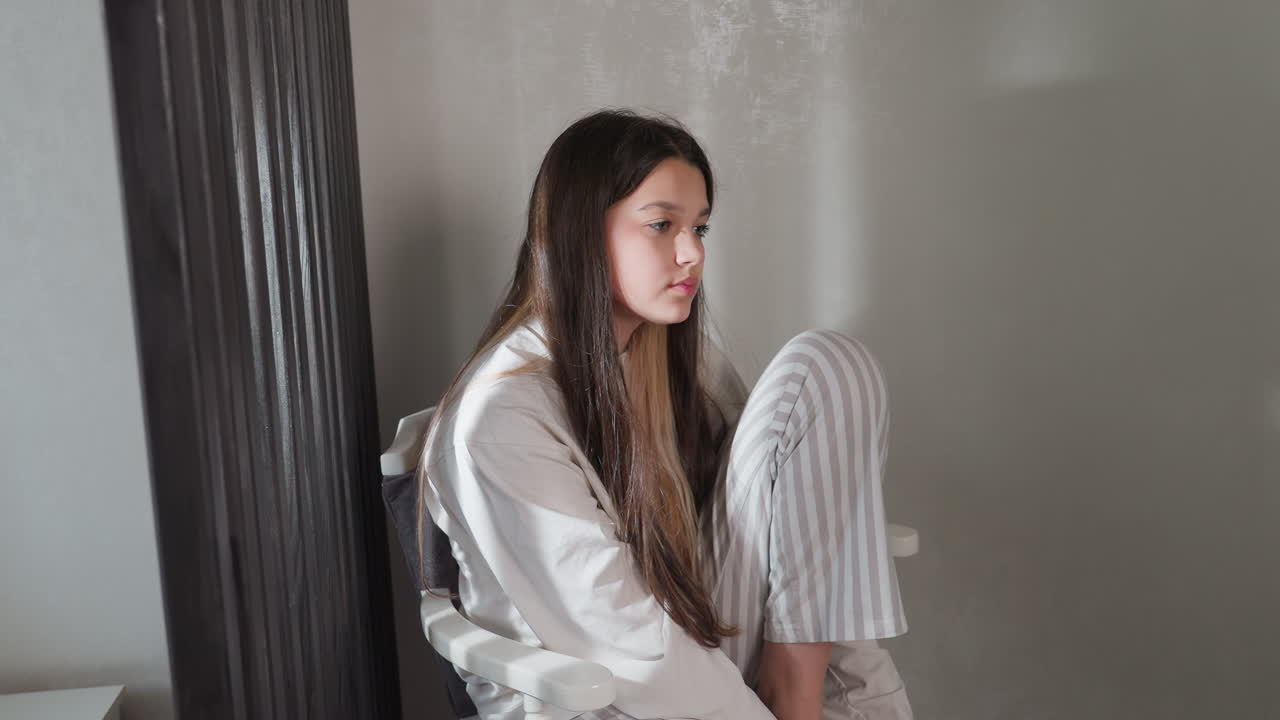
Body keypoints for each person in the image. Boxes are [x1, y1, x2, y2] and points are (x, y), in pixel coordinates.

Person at [414, 109, 912, 720]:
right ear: (579, 234)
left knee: (831, 364)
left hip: (701, 647)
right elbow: (627, 647)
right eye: (661, 225)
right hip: (600, 695)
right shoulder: (501, 416)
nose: (691, 254)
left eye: (700, 227)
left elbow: (799, 515)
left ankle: (796, 697)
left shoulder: (677, 362)